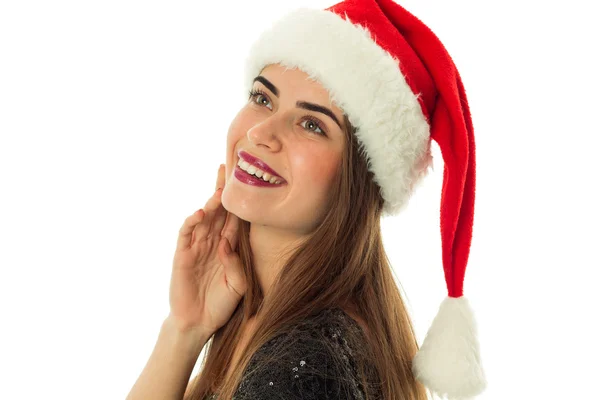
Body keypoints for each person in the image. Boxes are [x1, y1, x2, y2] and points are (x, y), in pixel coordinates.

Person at [126, 0, 487, 399]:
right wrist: (184, 328)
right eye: (263, 99)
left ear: (356, 180)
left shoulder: (306, 367)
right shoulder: (269, 320)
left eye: (311, 124)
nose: (263, 132)